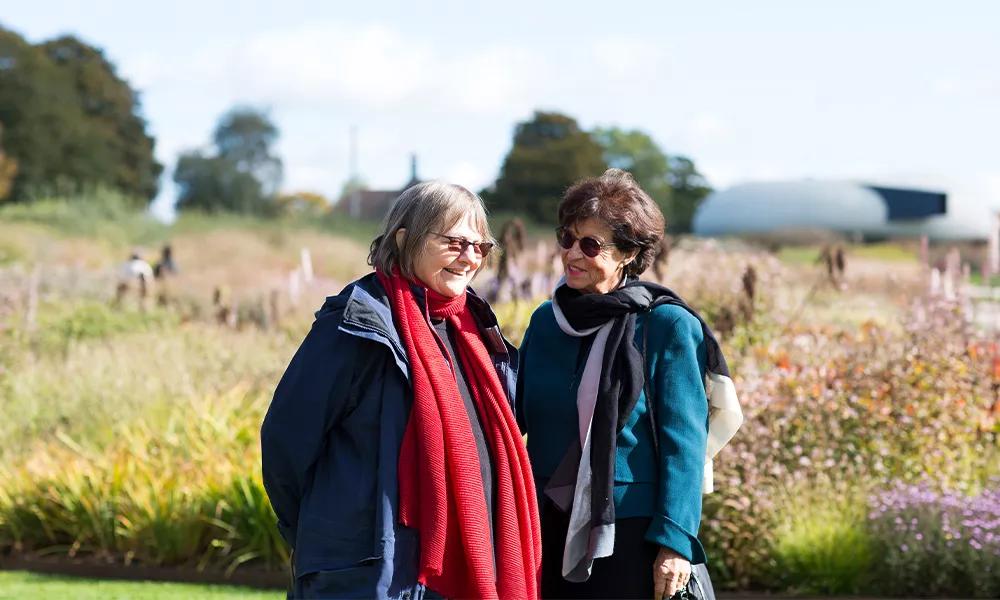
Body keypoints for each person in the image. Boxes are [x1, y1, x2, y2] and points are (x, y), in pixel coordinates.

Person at [261, 181, 541, 600]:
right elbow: (286, 440)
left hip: (466, 571)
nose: (469, 258)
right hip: (373, 576)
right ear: (405, 239)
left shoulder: (475, 330)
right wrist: (324, 534)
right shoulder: (356, 325)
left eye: (479, 247)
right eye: (454, 242)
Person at [516, 169, 741, 599]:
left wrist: (675, 544)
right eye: (567, 238)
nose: (572, 254)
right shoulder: (546, 322)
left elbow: (683, 444)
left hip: (630, 530)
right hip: (544, 521)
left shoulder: (665, 325)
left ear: (628, 253)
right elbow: (512, 417)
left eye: (591, 245)